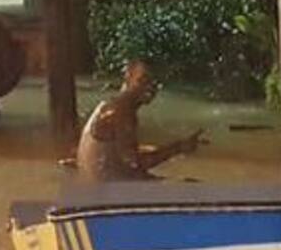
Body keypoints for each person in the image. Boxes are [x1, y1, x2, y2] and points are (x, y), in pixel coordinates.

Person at [76, 60, 205, 181]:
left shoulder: (111, 106)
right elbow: (136, 163)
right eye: (143, 80)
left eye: (154, 83)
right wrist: (178, 148)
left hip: (103, 185)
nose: (149, 87)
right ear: (127, 78)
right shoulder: (121, 113)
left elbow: (124, 156)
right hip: (110, 191)